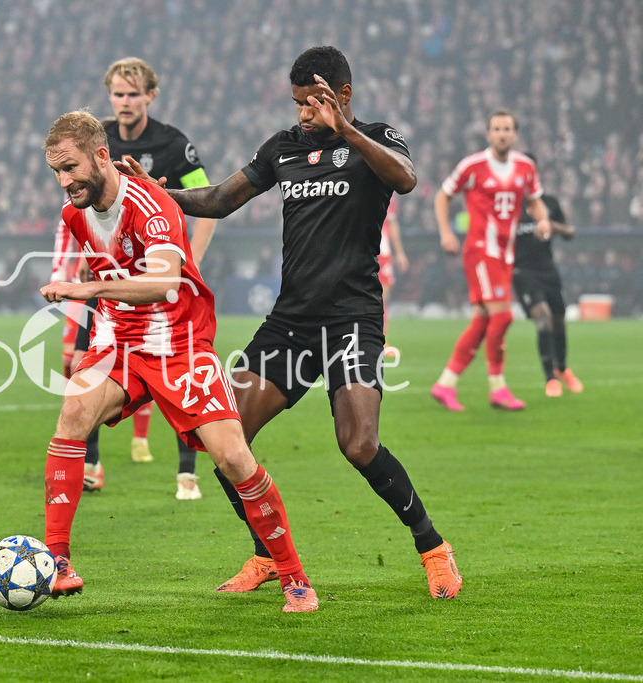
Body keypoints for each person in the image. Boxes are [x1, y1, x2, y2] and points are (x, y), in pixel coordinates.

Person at [118, 45, 462, 600]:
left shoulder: (378, 139)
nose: (303, 114)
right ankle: (268, 557)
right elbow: (222, 198)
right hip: (291, 322)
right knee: (226, 441)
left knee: (359, 444)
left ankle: (433, 548)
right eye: (298, 103)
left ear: (342, 96)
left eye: (313, 103)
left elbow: (406, 181)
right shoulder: (284, 147)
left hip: (351, 320)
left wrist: (346, 131)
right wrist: (154, 193)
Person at [40, 110, 317, 613]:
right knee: (73, 415)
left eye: (71, 167)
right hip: (119, 342)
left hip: (181, 342)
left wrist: (84, 288)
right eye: (56, 171)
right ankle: (58, 563)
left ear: (101, 156)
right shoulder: (73, 212)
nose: (65, 181)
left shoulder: (152, 204)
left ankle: (294, 576)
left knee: (233, 458)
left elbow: (164, 282)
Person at [52, 57, 218, 500]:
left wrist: (188, 261)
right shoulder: (94, 141)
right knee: (80, 369)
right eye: (117, 94)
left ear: (149, 96)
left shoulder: (173, 142)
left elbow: (205, 200)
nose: (124, 102)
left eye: (132, 94)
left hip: (161, 277)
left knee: (183, 378)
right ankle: (90, 464)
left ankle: (187, 471)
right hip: (111, 285)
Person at [431, 110, 551, 412]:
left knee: (485, 321)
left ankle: (445, 384)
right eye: (496, 128)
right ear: (488, 134)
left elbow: (534, 200)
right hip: (481, 251)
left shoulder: (525, 167)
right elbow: (442, 196)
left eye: (507, 129)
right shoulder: (473, 166)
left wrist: (544, 220)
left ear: (515, 134)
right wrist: (446, 232)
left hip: (505, 253)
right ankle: (498, 388)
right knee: (504, 316)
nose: (502, 134)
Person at [513, 161, 583, 397]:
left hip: (548, 271)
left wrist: (553, 226)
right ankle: (550, 379)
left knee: (559, 322)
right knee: (542, 317)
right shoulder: (508, 204)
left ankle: (562, 368)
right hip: (523, 272)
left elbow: (571, 233)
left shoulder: (549, 203)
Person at [379, 194, 409, 342]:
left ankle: (381, 340)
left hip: (382, 252)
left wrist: (400, 253)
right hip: (368, 251)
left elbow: (392, 223)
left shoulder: (387, 190)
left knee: (382, 298)